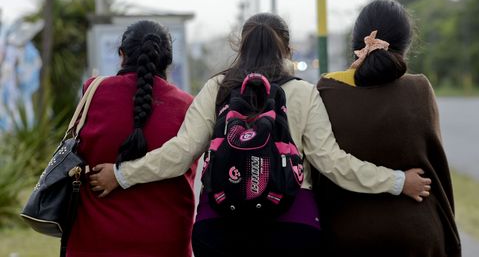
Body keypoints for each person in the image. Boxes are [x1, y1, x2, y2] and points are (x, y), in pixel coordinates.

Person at [90, 13, 431, 257]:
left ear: (239, 44)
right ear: (289, 49)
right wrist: (399, 181)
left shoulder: (216, 88)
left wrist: (121, 175)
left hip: (220, 229)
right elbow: (333, 163)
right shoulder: (302, 92)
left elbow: (179, 155)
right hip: (292, 228)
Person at [315, 0, 461, 257]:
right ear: (405, 47)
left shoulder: (325, 92)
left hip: (346, 237)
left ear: (356, 43)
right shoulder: (420, 90)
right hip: (418, 237)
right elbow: (437, 171)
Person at [66, 20, 197, 257]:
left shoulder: (93, 92)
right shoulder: (188, 106)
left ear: (122, 54)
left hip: (94, 242)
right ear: (167, 60)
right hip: (166, 243)